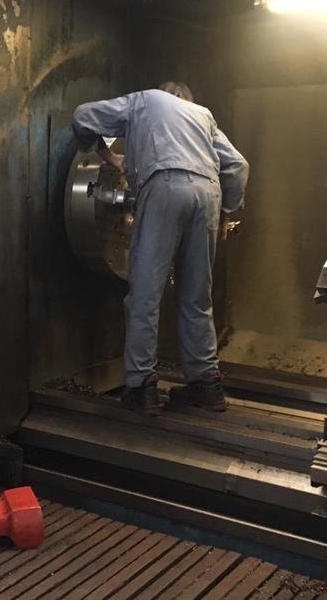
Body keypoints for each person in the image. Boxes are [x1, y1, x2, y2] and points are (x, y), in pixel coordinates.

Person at [72, 81, 249, 415]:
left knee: (145, 295)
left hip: (164, 186)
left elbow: (83, 116)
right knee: (197, 296)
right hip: (208, 195)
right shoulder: (203, 115)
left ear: (165, 92)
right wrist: (227, 213)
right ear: (186, 99)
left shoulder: (144, 100)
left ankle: (141, 387)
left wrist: (108, 156)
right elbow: (238, 166)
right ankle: (207, 385)